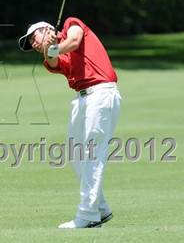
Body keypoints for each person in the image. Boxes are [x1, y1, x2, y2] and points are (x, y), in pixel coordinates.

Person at [18, 17, 121, 228]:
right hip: (81, 100)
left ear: (47, 29)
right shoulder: (51, 56)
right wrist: (51, 48)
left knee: (92, 154)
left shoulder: (71, 23)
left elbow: (74, 41)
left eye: (33, 38)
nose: (34, 44)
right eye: (31, 45)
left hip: (101, 93)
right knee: (75, 155)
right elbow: (55, 60)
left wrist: (56, 45)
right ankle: (100, 208)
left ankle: (88, 214)